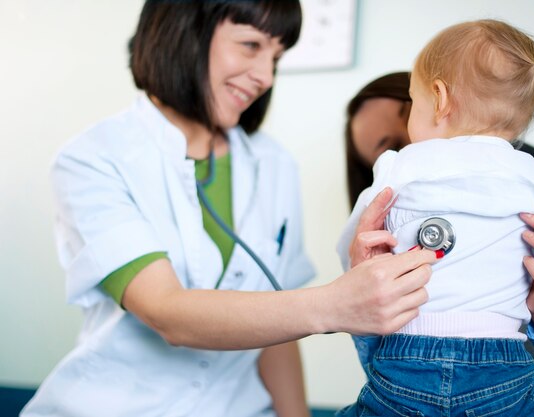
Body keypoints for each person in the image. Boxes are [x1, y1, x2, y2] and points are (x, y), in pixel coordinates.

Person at [20, 2, 438, 416]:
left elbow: (277, 329)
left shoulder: (273, 164)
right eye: (251, 45)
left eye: (276, 57)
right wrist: (335, 305)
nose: (265, 77)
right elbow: (167, 312)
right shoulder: (95, 158)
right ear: (185, 31)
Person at [337, 19, 534, 416]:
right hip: (502, 365)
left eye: (410, 103)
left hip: (402, 364)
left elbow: (352, 253)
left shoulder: (398, 168)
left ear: (440, 97)